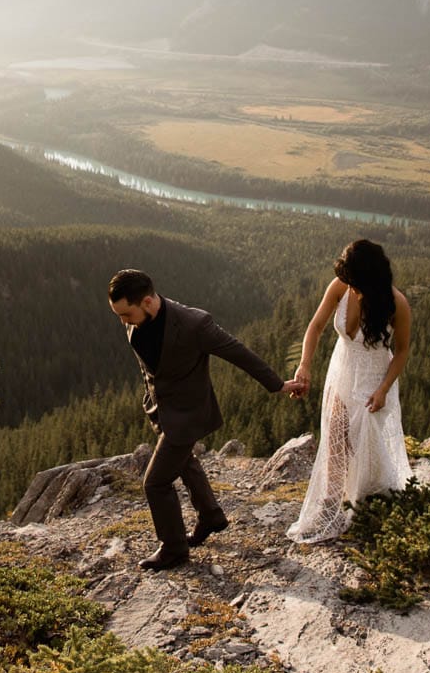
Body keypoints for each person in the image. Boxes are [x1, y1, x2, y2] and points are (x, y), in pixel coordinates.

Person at [108, 269, 307, 571]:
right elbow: (149, 368)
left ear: (147, 302)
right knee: (184, 461)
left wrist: (278, 384)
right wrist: (152, 402)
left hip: (188, 413)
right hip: (162, 410)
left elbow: (239, 353)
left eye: (126, 314)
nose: (123, 321)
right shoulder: (136, 322)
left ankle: (174, 549)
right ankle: (211, 515)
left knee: (155, 483)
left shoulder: (193, 324)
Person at [287, 239, 414, 544]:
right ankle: (329, 506)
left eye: (354, 279)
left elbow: (402, 350)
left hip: (374, 379)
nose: (349, 284)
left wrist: (384, 389)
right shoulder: (340, 287)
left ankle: (369, 500)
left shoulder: (397, 303)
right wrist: (305, 365)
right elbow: (316, 326)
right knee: (334, 439)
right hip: (342, 369)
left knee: (366, 442)